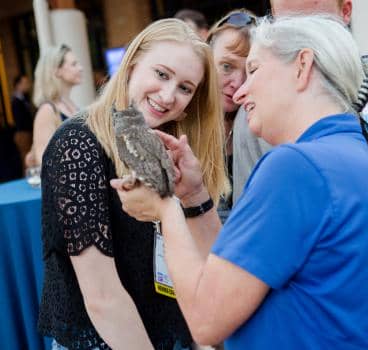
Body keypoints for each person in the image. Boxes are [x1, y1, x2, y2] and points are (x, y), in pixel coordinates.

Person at [112, 15, 368, 349]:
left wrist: (166, 209)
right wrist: (195, 196)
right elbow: (231, 279)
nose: (240, 92)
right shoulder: (350, 154)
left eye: (253, 70)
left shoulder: (295, 168)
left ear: (302, 65)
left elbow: (206, 320)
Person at [38, 18, 228, 350]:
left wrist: (194, 196)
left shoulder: (173, 146)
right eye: (162, 74)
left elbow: (211, 268)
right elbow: (103, 298)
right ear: (132, 65)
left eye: (185, 87)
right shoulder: (78, 144)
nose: (169, 95)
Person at [232, 0, 368, 204]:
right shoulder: (254, 118)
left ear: (345, 11)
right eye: (286, 24)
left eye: (313, 21)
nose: (300, 36)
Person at [206, 9, 257, 221]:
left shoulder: (262, 132)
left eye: (250, 70)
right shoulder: (179, 124)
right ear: (206, 60)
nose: (238, 82)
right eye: (226, 66)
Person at [27, 44, 82, 167]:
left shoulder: (73, 106)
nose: (80, 68)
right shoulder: (47, 110)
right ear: (57, 71)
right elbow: (44, 161)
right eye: (74, 64)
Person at [11, 74, 35, 172]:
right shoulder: (16, 100)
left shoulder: (24, 98)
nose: (27, 85)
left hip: (27, 132)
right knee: (27, 159)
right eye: (24, 83)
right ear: (18, 85)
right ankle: (29, 179)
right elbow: (21, 120)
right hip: (23, 133)